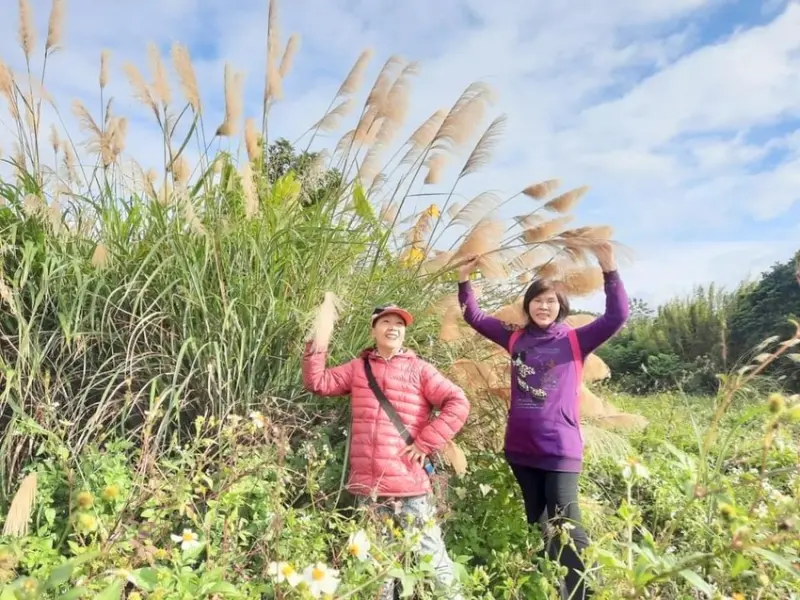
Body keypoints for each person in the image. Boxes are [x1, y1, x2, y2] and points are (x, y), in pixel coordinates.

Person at [457, 242, 629, 600]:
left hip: (559, 448)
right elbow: (473, 316)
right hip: (521, 448)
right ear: (528, 305)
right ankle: (548, 585)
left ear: (561, 306)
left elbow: (617, 316)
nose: (544, 306)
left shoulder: (575, 340)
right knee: (537, 520)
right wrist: (464, 279)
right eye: (538, 300)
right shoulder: (515, 338)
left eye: (551, 301)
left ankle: (582, 592)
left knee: (567, 521)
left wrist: (610, 270)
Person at [302, 304, 470, 600]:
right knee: (378, 566)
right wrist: (319, 339)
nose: (393, 327)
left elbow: (458, 402)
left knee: (432, 558)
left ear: (404, 332)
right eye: (386, 322)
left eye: (399, 324)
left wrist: (426, 442)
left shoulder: (419, 370)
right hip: (371, 488)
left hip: (409, 486)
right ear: (374, 330)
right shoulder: (358, 368)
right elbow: (318, 382)